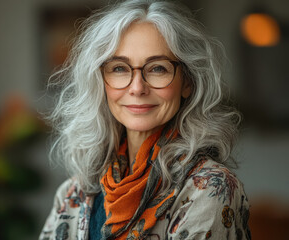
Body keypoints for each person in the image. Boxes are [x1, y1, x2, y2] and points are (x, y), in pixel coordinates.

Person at [40, 0, 251, 239]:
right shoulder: (75, 192)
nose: (137, 88)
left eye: (158, 68)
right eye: (119, 68)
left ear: (188, 82)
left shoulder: (210, 188)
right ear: (100, 82)